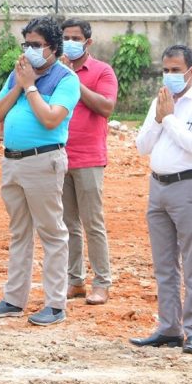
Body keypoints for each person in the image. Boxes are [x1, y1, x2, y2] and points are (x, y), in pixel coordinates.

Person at [0, 16, 80, 326]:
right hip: (12, 161)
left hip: (43, 160)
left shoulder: (66, 79)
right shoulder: (18, 75)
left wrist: (30, 87)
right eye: (26, 44)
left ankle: (55, 304)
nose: (29, 50)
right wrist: (18, 84)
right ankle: (14, 299)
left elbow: (50, 119)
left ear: (53, 47)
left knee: (52, 232)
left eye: (36, 45)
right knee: (19, 232)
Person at [131, 44, 192, 355]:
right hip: (158, 188)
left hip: (187, 187)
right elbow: (142, 146)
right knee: (164, 264)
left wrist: (168, 119)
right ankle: (169, 328)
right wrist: (158, 119)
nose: (169, 76)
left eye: (175, 70)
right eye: (165, 70)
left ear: (191, 71)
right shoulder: (160, 101)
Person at [60, 18, 119, 306]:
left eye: (75, 38)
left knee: (92, 223)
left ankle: (102, 282)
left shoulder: (102, 71)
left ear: (88, 42)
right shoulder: (56, 70)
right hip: (59, 155)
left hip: (88, 158)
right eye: (65, 38)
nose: (69, 43)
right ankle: (75, 281)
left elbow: (106, 107)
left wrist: (74, 81)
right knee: (67, 223)